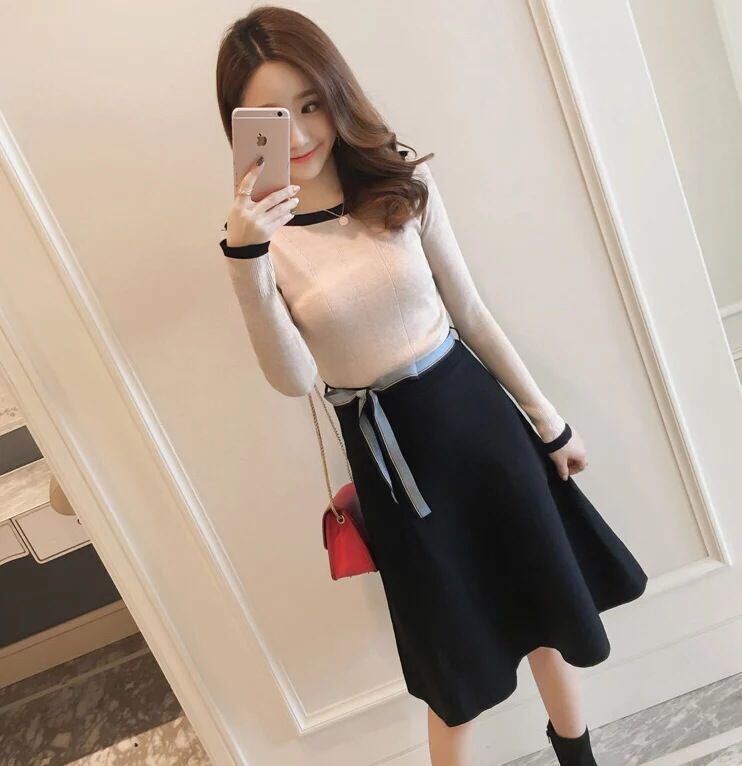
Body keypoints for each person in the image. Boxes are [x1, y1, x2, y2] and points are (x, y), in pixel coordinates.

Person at [215, 7, 648, 765]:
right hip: (393, 462)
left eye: (311, 103)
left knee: (542, 608)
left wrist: (548, 423)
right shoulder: (262, 244)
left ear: (336, 93)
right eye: (274, 118)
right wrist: (245, 260)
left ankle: (578, 757)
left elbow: (470, 313)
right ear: (242, 130)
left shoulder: (400, 183)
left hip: (478, 425)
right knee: (454, 668)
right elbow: (293, 379)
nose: (302, 133)